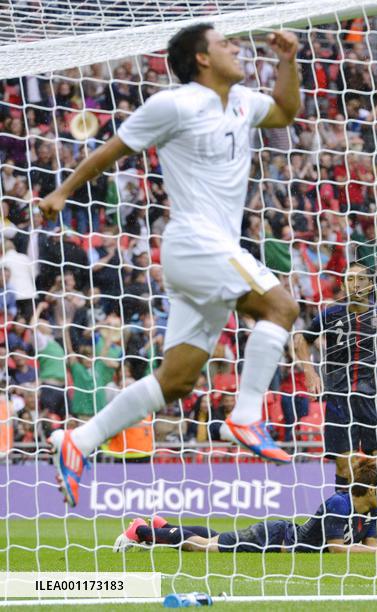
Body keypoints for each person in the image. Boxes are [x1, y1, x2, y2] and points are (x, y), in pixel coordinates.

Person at [43, 24, 302, 507]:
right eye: (225, 43)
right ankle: (246, 417)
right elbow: (110, 150)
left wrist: (288, 60)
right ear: (201, 58)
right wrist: (62, 193)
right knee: (282, 308)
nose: (236, 46)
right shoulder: (174, 104)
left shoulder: (243, 101)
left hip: (210, 252)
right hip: (194, 242)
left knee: (178, 380)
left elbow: (287, 110)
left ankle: (78, 441)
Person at [294, 261, 377, 550]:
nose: (353, 284)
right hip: (340, 400)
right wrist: (309, 371)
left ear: (368, 285)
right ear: (342, 286)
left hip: (373, 399)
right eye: (348, 280)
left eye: (359, 279)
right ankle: (349, 530)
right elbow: (301, 339)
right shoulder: (330, 315)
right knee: (347, 466)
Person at [113, 459, 377, 554]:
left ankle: (160, 526)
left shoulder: (372, 510)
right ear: (373, 488)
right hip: (274, 537)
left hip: (281, 540)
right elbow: (337, 549)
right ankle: (140, 531)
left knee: (216, 537)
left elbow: (371, 546)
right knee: (204, 547)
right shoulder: (340, 503)